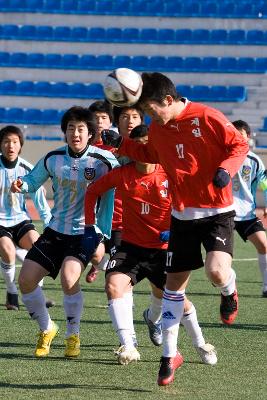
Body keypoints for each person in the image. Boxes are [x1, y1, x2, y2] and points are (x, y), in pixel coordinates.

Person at [102, 72, 249, 386]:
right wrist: (121, 144)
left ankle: (229, 290)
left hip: (216, 212)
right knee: (173, 289)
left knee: (216, 272)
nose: (152, 118)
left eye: (153, 111)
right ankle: (170, 355)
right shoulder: (159, 129)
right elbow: (147, 154)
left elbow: (239, 145)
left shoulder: (207, 116)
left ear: (168, 100)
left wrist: (226, 170)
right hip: (182, 217)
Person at [85, 124, 217, 367]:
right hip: (131, 247)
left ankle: (200, 343)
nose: (145, 149)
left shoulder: (169, 173)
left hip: (163, 251)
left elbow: (189, 203)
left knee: (177, 300)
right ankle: (128, 345)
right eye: (141, 145)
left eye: (150, 145)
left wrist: (175, 230)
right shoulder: (123, 173)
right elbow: (92, 192)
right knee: (113, 285)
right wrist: (90, 227)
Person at [11, 106, 119, 358]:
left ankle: (73, 334)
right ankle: (47, 328)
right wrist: (21, 184)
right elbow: (33, 180)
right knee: (26, 280)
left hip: (86, 232)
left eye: (81, 128)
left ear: (91, 133)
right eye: (71, 128)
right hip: (55, 230)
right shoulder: (53, 158)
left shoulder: (103, 162)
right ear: (65, 132)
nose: (76, 133)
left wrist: (104, 232)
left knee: (69, 279)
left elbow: (127, 173)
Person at [86, 104, 144, 283]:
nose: (130, 121)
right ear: (117, 122)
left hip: (135, 218)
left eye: (135, 116)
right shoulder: (100, 149)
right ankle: (101, 265)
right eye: (126, 116)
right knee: (98, 255)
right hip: (107, 216)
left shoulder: (148, 147)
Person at [0, 125, 53, 311]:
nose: (10, 146)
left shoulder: (28, 169)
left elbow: (40, 201)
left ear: (20, 145)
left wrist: (49, 225)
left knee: (38, 246)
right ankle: (11, 291)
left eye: (14, 142)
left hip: (20, 220)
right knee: (7, 250)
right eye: (6, 141)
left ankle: (36, 294)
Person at [232, 120, 267, 297]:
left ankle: (266, 286)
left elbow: (264, 183)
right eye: (233, 132)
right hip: (224, 213)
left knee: (264, 245)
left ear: (248, 136)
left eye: (241, 133)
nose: (237, 136)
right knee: (223, 256)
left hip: (247, 213)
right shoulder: (221, 156)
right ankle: (228, 287)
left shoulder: (254, 160)